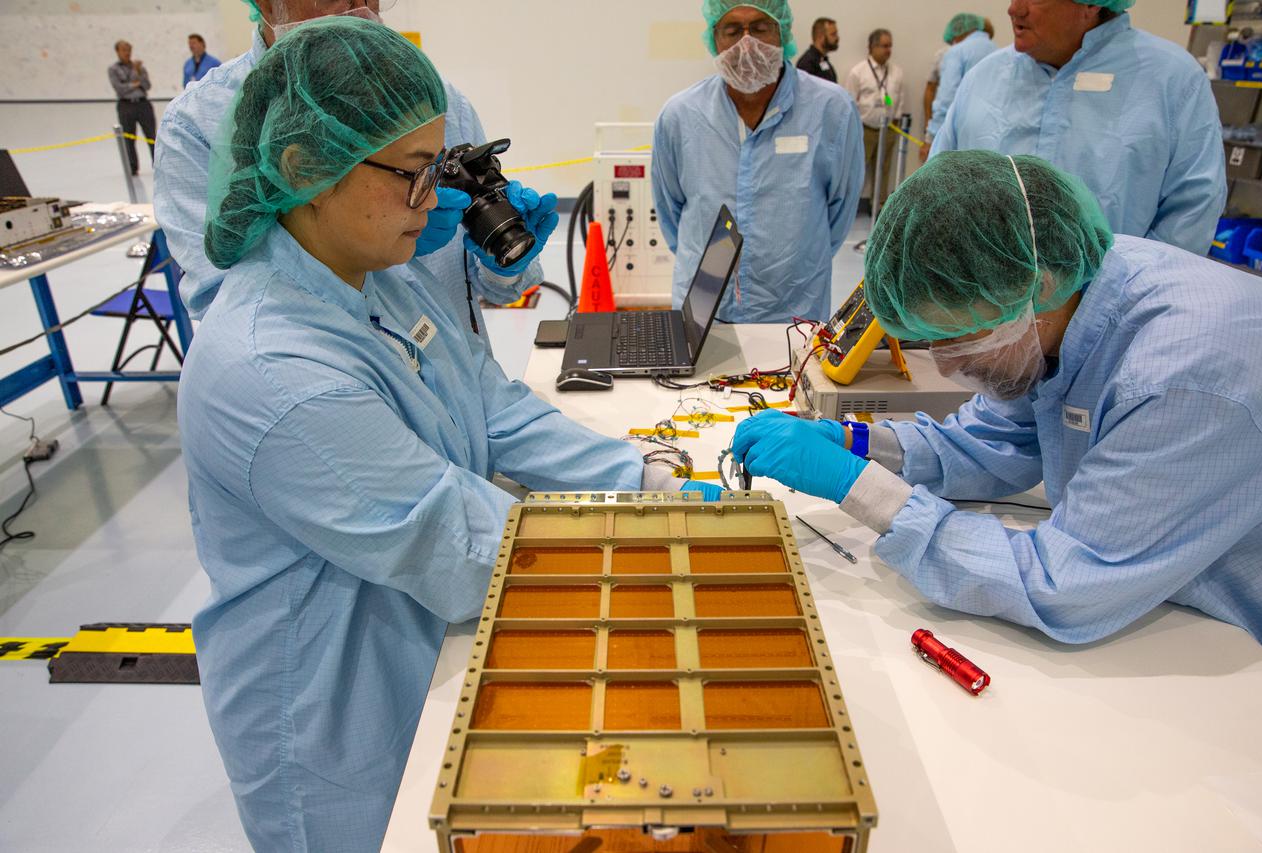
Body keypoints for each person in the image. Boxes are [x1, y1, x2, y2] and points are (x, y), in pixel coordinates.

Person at [182, 18, 723, 851]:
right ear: (303, 170)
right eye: (410, 175)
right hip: (336, 713)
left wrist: (645, 476)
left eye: (437, 170)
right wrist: (660, 551)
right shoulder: (270, 368)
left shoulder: (373, 278)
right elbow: (462, 546)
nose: (434, 200)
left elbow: (493, 406)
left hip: (423, 643)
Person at [732, 150, 1262, 660]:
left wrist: (862, 489)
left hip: (1248, 651)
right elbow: (995, 440)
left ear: (1035, 289)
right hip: (1171, 600)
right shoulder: (1074, 293)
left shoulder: (1180, 380)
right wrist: (853, 442)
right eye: (931, 341)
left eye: (961, 340)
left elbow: (1062, 584)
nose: (946, 367)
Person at [155, 0, 545, 348]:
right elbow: (227, 307)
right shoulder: (198, 125)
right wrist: (378, 257)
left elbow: (485, 285)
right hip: (339, 375)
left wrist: (502, 263)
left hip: (456, 364)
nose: (359, 8)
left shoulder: (431, 100)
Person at [930, 0, 1226, 256]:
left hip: (1115, 312)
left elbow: (1192, 211)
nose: (1014, 9)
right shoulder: (983, 78)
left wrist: (1122, 297)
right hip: (983, 308)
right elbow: (936, 190)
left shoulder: (1170, 80)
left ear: (1091, 4)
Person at [652, 0, 861, 324]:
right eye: (732, 29)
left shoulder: (832, 110)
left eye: (760, 28)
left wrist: (795, 263)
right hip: (704, 312)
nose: (746, 43)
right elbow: (671, 214)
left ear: (782, 32)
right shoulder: (680, 116)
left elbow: (840, 210)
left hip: (794, 311)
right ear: (713, 37)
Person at [922, 13, 996, 159]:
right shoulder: (998, 52)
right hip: (989, 138)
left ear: (957, 33)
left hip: (960, 137)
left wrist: (931, 138)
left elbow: (946, 99)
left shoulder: (956, 52)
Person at [844, 28, 904, 207]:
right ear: (872, 47)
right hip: (865, 129)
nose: (888, 50)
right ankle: (850, 206)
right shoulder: (858, 72)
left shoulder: (896, 72)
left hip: (888, 129)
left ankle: (879, 206)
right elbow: (849, 102)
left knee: (884, 169)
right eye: (884, 46)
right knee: (858, 169)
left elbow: (899, 99)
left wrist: (897, 119)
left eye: (890, 46)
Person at [107, 40, 155, 175]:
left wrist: (138, 73)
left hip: (142, 103)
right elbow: (119, 89)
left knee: (151, 135)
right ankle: (132, 168)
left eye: (128, 50)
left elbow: (147, 86)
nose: (127, 53)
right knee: (128, 138)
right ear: (117, 52)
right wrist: (134, 84)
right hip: (125, 105)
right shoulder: (113, 69)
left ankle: (158, 164)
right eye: (123, 50)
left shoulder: (139, 67)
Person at [796, 17, 839, 83]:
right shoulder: (807, 63)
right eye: (833, 34)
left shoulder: (823, 60)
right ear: (820, 36)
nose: (837, 38)